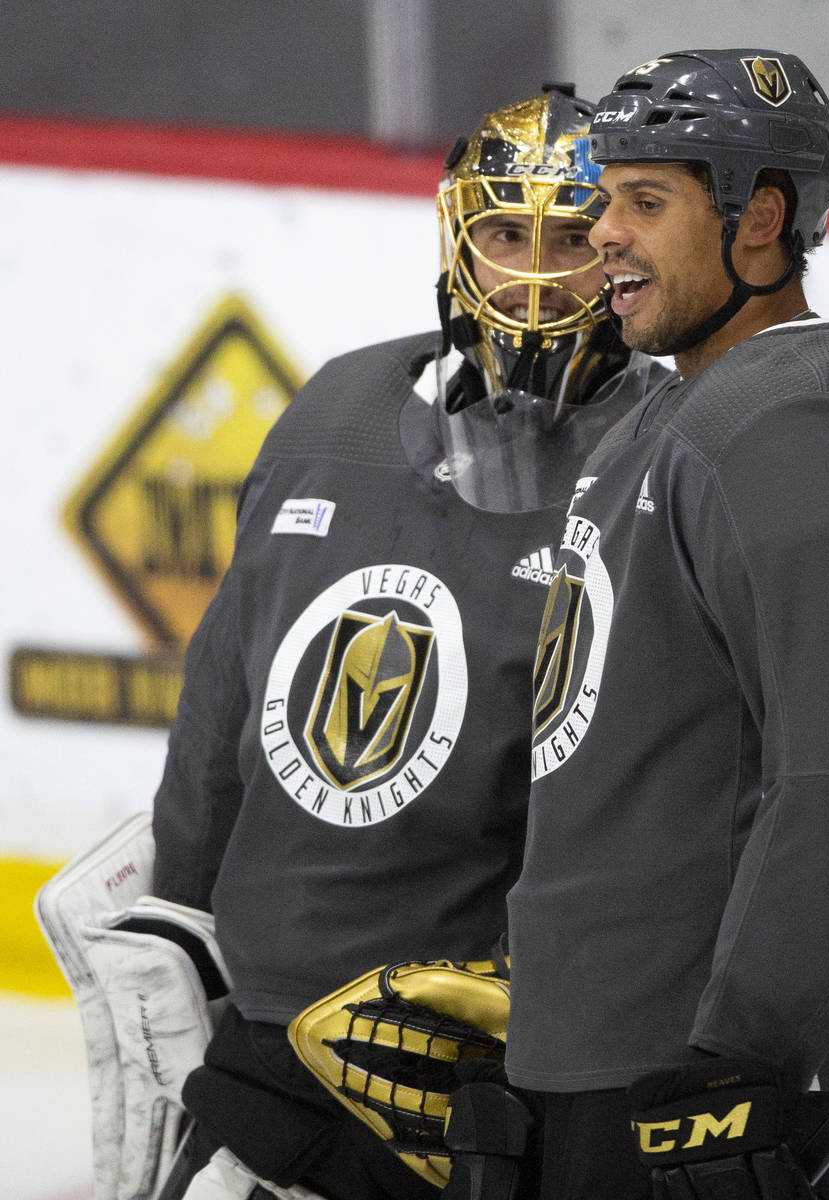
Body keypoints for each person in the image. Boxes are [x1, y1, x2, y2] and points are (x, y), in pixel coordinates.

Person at [498, 50, 829, 1200]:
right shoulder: (684, 408)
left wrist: (745, 1052)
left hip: (727, 1083)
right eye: (601, 198)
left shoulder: (788, 425)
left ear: (759, 218)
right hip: (633, 1052)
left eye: (646, 201)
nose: (602, 235)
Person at [141, 83, 662, 1200]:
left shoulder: (670, 457)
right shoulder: (336, 406)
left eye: (571, 238)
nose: (534, 271)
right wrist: (175, 914)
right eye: (504, 233)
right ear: (453, 238)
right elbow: (221, 701)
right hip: (265, 1029)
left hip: (467, 1052)